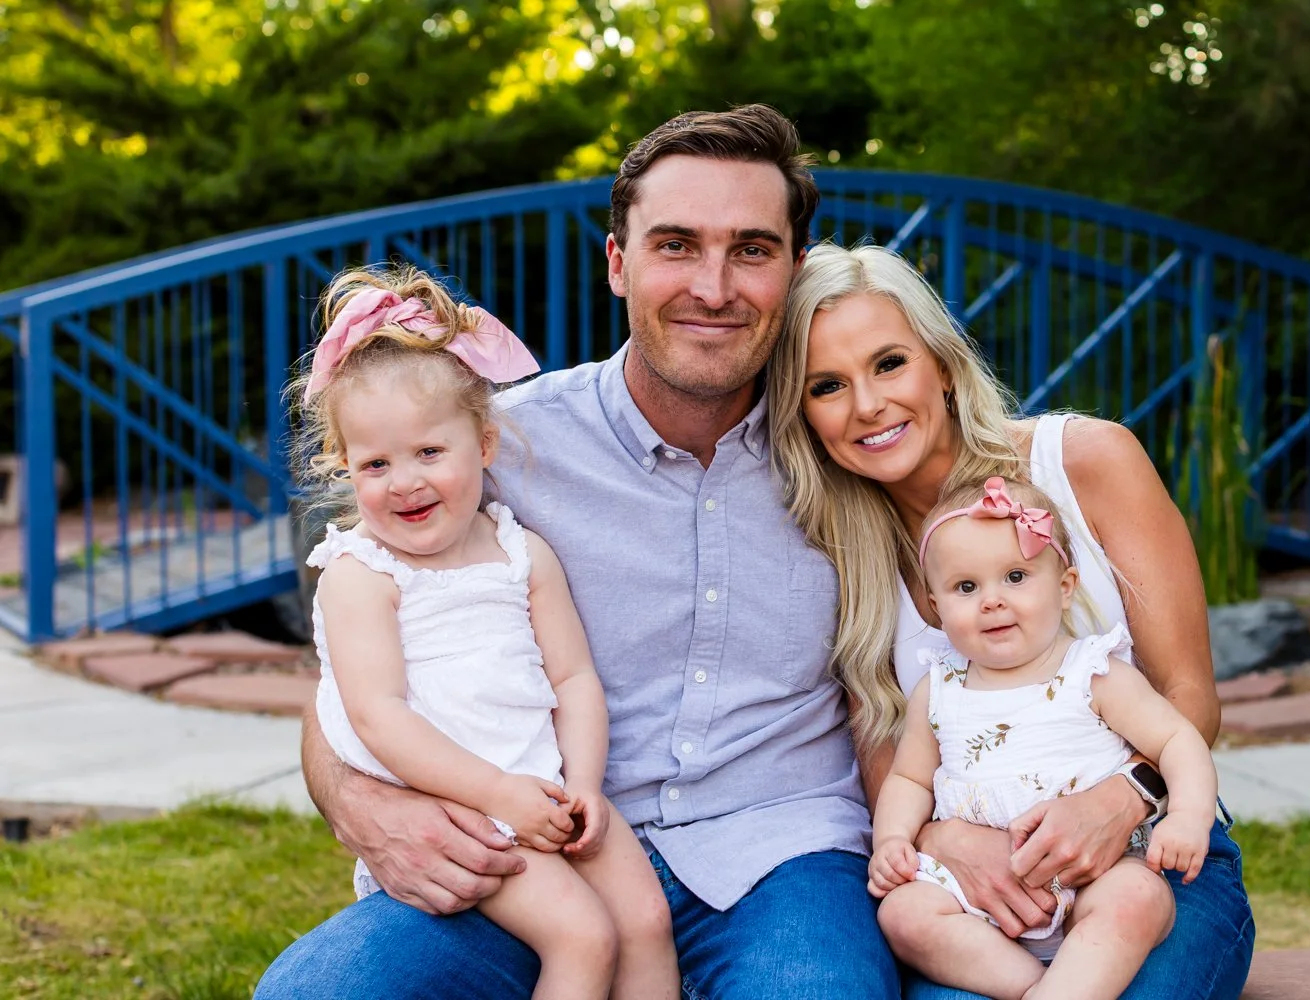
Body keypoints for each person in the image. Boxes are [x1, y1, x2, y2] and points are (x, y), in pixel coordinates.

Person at [254, 105, 901, 999]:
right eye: (676, 245)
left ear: (793, 271)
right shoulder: (488, 447)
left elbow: (991, 468)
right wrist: (358, 800)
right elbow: (354, 663)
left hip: (781, 849)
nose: (713, 286)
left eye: (752, 250)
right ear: (617, 263)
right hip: (536, 843)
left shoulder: (854, 446)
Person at [768, 242, 1255, 1000]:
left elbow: (1189, 694)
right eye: (827, 385)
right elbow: (890, 764)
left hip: (1146, 856)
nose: (867, 405)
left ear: (942, 364)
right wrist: (944, 841)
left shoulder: (1085, 462)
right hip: (972, 889)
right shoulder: (837, 552)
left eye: (890, 364)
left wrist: (1118, 801)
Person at [288, 265, 679, 999]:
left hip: (549, 789)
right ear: (345, 466)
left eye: (430, 453)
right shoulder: (361, 575)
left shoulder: (520, 552)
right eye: (376, 463)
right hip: (464, 808)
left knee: (645, 921)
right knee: (582, 935)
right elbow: (377, 715)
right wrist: (499, 794)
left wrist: (583, 784)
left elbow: (573, 679)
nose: (405, 481)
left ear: (485, 445)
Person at [869, 475, 1219, 1000]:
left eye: (1015, 576)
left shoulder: (1091, 672)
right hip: (975, 895)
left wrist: (1189, 816)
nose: (992, 601)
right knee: (903, 914)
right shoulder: (938, 690)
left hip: (1095, 876)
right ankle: (1034, 987)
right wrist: (893, 840)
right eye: (966, 587)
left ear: (1064, 586)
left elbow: (1176, 739)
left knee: (1139, 899)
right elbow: (909, 779)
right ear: (936, 607)